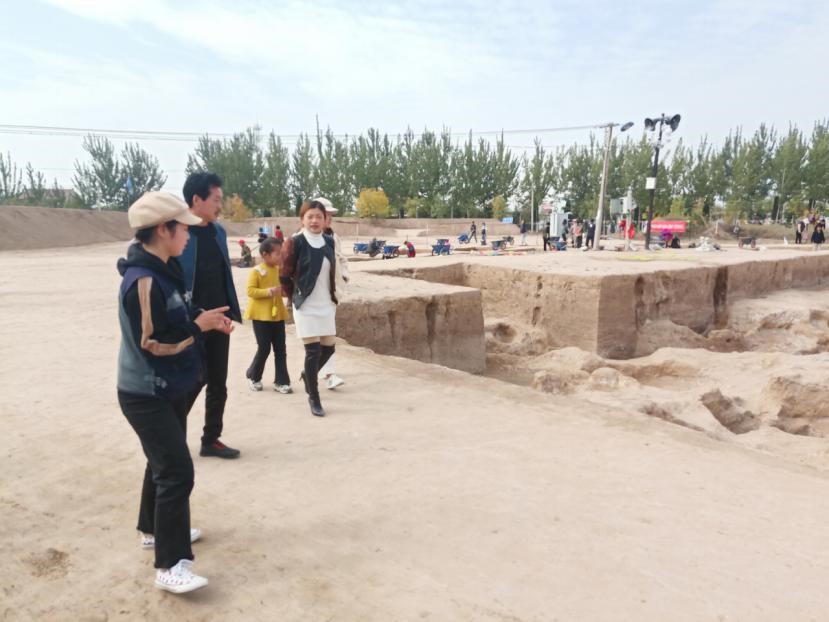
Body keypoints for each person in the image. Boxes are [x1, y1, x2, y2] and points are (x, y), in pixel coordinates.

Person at [117, 192, 233, 593]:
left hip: (167, 386)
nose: (188, 234)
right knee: (176, 471)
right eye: (183, 228)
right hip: (145, 393)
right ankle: (170, 565)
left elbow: (183, 308)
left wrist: (206, 318)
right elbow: (152, 342)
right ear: (163, 230)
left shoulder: (165, 268)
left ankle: (154, 529)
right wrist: (198, 328)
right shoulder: (143, 281)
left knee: (162, 463)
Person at [179, 172, 242, 459]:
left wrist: (228, 310)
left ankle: (211, 439)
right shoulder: (179, 232)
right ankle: (171, 437)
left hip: (219, 319)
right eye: (216, 199)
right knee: (192, 381)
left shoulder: (218, 232)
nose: (220, 205)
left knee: (218, 381)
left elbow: (222, 274)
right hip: (191, 322)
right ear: (197, 199)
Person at [280, 200, 339, 416]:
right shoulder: (294, 242)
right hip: (305, 305)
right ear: (302, 219)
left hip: (326, 303)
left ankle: (308, 374)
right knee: (312, 352)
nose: (314, 221)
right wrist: (294, 298)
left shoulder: (329, 241)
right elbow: (284, 275)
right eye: (310, 216)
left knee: (329, 348)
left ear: (325, 220)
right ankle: (314, 398)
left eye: (318, 217)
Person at [245, 237, 292, 394]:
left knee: (281, 349)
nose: (281, 257)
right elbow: (250, 291)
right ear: (265, 255)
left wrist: (285, 291)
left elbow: (284, 291)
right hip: (260, 317)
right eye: (278, 254)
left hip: (277, 315)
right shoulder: (257, 271)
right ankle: (254, 377)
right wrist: (269, 291)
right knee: (264, 348)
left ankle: (281, 381)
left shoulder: (280, 271)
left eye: (282, 253)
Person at [318, 197, 348, 390]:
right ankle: (317, 370)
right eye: (326, 214)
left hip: (330, 293)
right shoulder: (301, 239)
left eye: (330, 215)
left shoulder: (333, 238)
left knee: (328, 333)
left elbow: (342, 259)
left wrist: (344, 276)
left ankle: (328, 373)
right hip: (311, 297)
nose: (329, 218)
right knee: (315, 337)